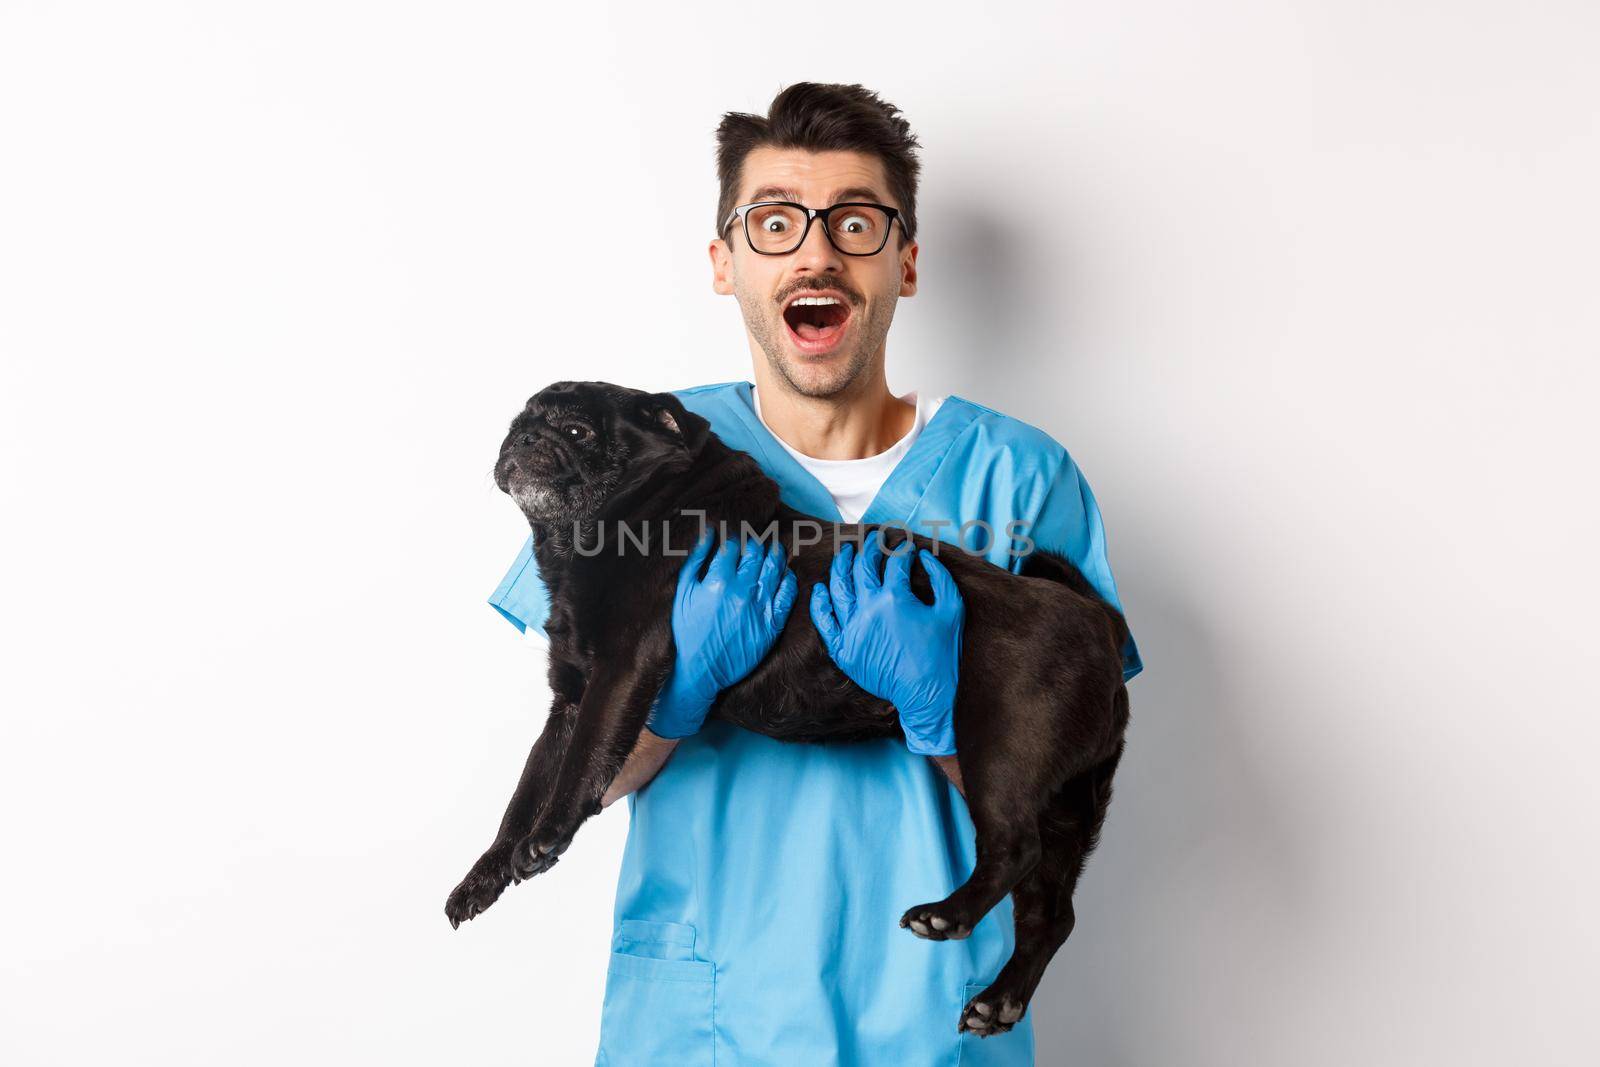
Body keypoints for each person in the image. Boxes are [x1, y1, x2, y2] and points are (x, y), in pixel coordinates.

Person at [486, 82, 1143, 1067]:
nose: (816, 250)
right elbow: (584, 764)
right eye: (776, 221)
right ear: (726, 263)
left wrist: (939, 711)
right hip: (708, 1022)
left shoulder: (1017, 478)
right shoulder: (628, 461)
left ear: (905, 261)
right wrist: (676, 693)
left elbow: (1058, 783)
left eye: (856, 221)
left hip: (934, 1019)